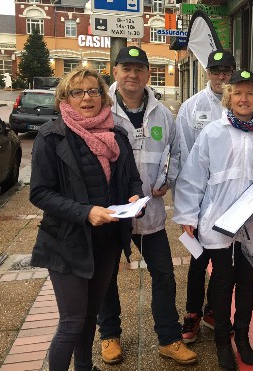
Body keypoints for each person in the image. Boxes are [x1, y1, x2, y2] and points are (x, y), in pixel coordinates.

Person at [29, 66, 143, 371]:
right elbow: (39, 193)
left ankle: (84, 367)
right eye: (77, 92)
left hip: (106, 242)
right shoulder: (51, 136)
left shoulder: (117, 133)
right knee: (71, 322)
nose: (87, 97)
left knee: (90, 317)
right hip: (67, 242)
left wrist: (134, 198)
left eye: (93, 90)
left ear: (103, 96)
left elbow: (131, 178)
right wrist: (84, 213)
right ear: (65, 97)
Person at [174, 69, 253, 370]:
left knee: (248, 283)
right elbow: (193, 177)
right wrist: (188, 214)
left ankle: (243, 337)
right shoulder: (213, 132)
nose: (244, 98)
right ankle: (223, 340)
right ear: (229, 97)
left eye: (250, 93)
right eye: (238, 93)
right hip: (219, 223)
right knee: (223, 282)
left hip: (252, 225)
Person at [97, 46, 197, 365]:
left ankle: (168, 338)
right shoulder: (102, 110)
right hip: (114, 213)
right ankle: (109, 334)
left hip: (150, 212)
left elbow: (178, 153)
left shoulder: (163, 114)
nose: (133, 74)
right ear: (115, 72)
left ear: (148, 74)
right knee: (106, 276)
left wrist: (168, 178)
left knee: (165, 275)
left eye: (139, 69)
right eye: (126, 68)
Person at [176, 49, 236, 344]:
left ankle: (213, 307)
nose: (221, 77)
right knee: (199, 259)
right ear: (207, 73)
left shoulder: (243, 105)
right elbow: (184, 154)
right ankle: (191, 313)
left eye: (226, 71)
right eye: (216, 71)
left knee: (225, 260)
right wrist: (187, 207)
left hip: (232, 200)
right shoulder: (192, 107)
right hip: (201, 198)